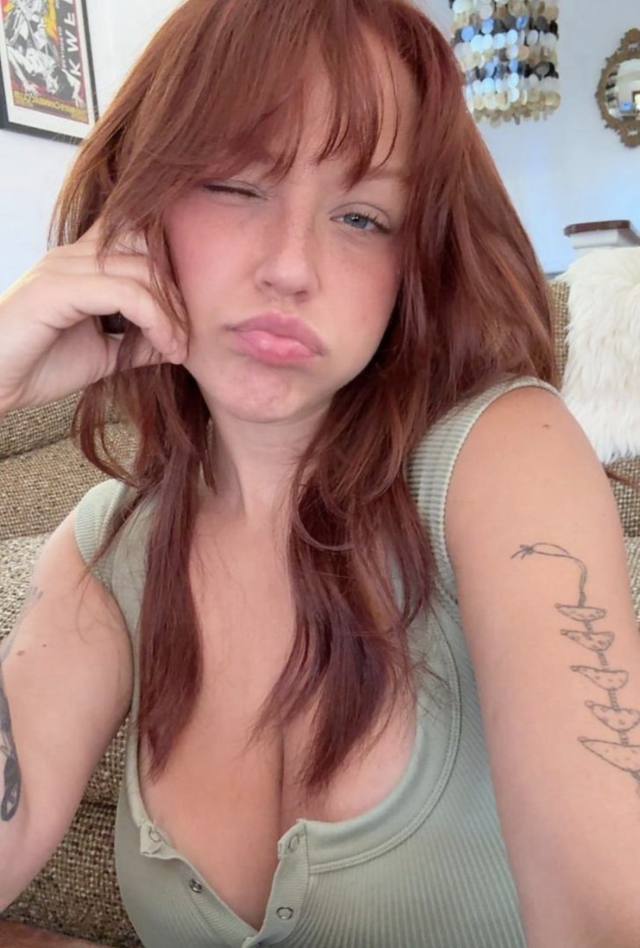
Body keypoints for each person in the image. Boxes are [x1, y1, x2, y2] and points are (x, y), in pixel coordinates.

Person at [0, 0, 639, 945]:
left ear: (414, 266)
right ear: (137, 210)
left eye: (363, 216)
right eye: (235, 185)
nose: (292, 267)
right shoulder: (107, 549)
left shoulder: (502, 458)